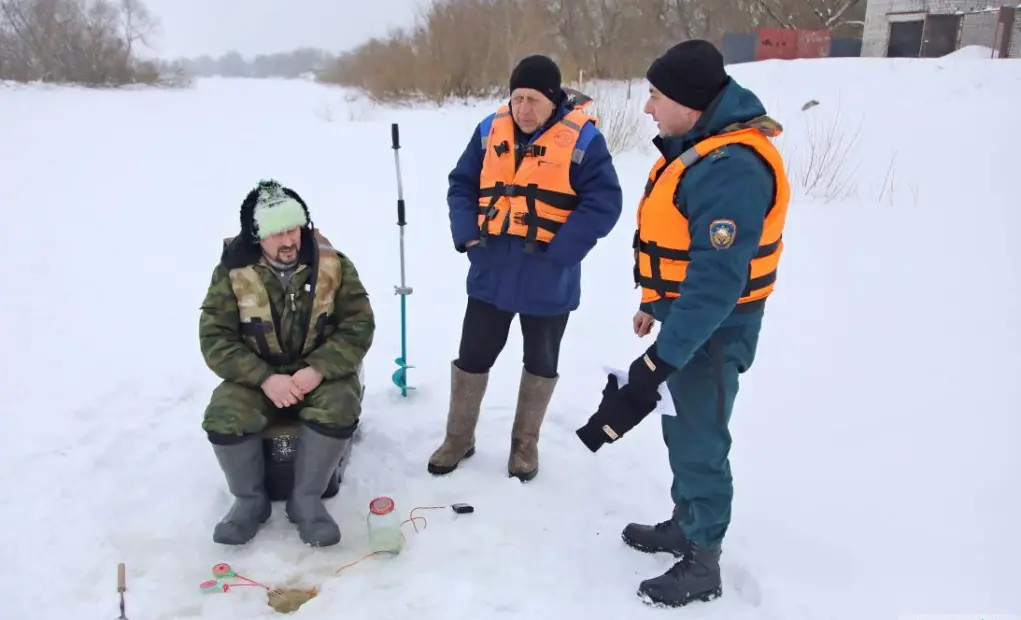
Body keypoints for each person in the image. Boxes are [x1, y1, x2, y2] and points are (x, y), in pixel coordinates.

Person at [575, 40, 790, 607]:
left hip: (713, 333)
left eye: (654, 96)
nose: (647, 108)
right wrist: (655, 302)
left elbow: (717, 282)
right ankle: (685, 524)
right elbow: (681, 252)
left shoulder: (733, 168)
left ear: (690, 104)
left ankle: (703, 563)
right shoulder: (698, 146)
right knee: (680, 429)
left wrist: (662, 357)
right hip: (687, 321)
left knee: (701, 442)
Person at [430, 54, 623, 481]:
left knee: (540, 361)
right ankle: (458, 438)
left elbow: (605, 202)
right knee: (472, 357)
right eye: (517, 98)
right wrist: (468, 236)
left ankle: (524, 446)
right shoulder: (488, 131)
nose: (523, 108)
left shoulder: (584, 141)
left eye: (532, 98)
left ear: (553, 100)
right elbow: (461, 184)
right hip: (491, 270)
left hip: (548, 277)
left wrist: (562, 250)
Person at [198, 179, 375, 547]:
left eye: (293, 229)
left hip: (317, 373)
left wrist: (319, 368)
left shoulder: (334, 265)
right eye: (276, 233)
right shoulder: (231, 273)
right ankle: (249, 501)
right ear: (256, 237)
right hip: (258, 377)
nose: (288, 241)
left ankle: (306, 498)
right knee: (224, 412)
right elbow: (215, 339)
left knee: (341, 402)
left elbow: (359, 325)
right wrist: (263, 378)